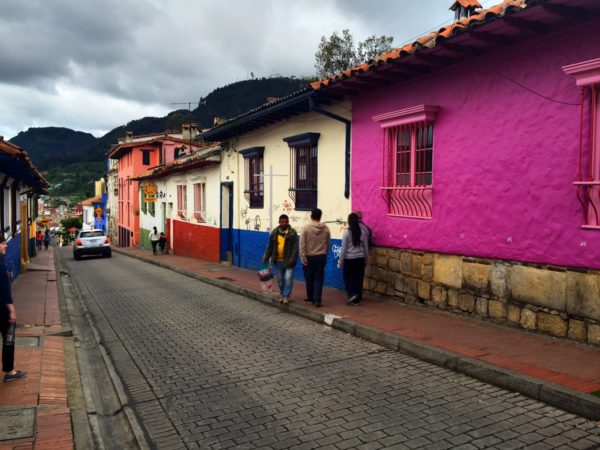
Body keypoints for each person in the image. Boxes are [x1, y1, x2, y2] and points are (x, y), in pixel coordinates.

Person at [0, 235, 27, 382]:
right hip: (3, 309)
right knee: (8, 339)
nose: (6, 246)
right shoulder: (1, 264)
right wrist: (11, 309)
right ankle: (10, 372)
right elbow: (4, 290)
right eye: (3, 243)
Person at [262, 214, 298, 304]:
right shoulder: (274, 233)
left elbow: (295, 248)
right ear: (279, 222)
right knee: (280, 280)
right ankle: (282, 294)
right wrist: (265, 257)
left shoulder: (292, 233)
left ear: (288, 222)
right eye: (282, 222)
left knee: (288, 278)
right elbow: (269, 247)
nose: (284, 223)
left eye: (286, 222)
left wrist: (292, 260)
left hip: (289, 261)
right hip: (278, 261)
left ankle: (286, 296)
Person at [300, 208, 331, 307]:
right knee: (319, 278)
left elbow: (302, 245)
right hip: (321, 257)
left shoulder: (305, 228)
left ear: (311, 215)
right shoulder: (326, 229)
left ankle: (310, 297)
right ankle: (318, 299)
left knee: (309, 278)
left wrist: (303, 258)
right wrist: (325, 254)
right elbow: (328, 244)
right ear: (320, 216)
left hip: (309, 257)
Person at [338, 213, 370, 305]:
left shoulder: (347, 233)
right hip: (360, 259)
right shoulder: (362, 232)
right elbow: (365, 247)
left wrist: (340, 260)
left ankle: (351, 294)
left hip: (349, 260)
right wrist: (367, 259)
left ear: (349, 222)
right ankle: (357, 297)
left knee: (348, 278)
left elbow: (343, 248)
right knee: (358, 278)